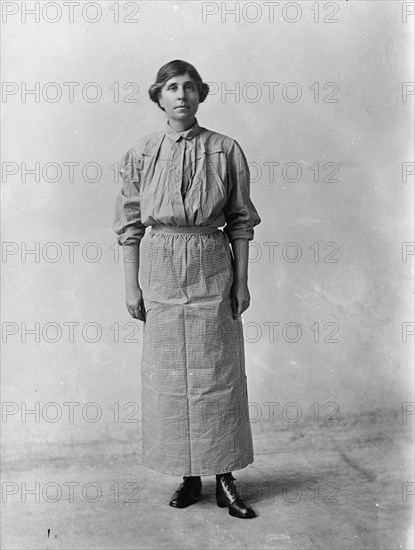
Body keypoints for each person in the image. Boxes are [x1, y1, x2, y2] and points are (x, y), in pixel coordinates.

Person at [113, 60, 261, 519]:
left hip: (211, 261)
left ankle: (225, 478)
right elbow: (129, 224)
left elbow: (240, 220)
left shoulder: (225, 150)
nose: (182, 95)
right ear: (158, 97)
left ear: (201, 95)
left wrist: (241, 281)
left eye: (190, 87)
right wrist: (132, 286)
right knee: (169, 377)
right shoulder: (141, 153)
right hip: (159, 264)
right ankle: (188, 475)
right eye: (172, 88)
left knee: (218, 371)